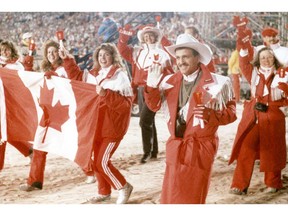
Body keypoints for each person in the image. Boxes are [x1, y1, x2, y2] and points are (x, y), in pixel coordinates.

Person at [144, 33, 237, 204]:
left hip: (200, 148)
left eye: (185, 57)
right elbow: (154, 106)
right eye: (178, 58)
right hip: (176, 145)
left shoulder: (219, 83)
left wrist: (211, 116)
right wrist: (151, 86)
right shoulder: (168, 81)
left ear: (197, 58)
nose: (180, 62)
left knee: (192, 198)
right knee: (171, 196)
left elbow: (231, 114)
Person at [59, 42, 133, 204]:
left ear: (113, 56)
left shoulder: (119, 76)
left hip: (113, 127)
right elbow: (78, 78)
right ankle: (104, 192)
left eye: (107, 55)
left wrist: (106, 94)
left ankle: (123, 186)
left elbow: (125, 106)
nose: (103, 58)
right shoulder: (95, 74)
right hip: (96, 125)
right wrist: (67, 60)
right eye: (100, 55)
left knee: (102, 162)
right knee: (95, 160)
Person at [19, 40, 95, 191]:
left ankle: (91, 171)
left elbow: (74, 80)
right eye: (49, 52)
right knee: (39, 145)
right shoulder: (46, 69)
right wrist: (28, 65)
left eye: (54, 52)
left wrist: (56, 75)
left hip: (65, 115)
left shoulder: (65, 67)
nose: (51, 54)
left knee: (70, 143)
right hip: (48, 114)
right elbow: (31, 81)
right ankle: (34, 181)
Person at [228, 24, 288, 195]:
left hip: (274, 114)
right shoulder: (252, 73)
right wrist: (242, 41)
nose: (266, 60)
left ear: (274, 60)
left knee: (273, 149)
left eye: (269, 57)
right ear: (258, 60)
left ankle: (273, 183)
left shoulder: (283, 75)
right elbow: (243, 59)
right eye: (262, 57)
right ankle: (239, 184)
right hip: (254, 114)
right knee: (246, 147)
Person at [118, 24, 173, 163]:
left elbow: (169, 73)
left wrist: (160, 87)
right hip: (140, 90)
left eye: (151, 35)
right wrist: (124, 37)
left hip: (153, 90)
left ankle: (147, 152)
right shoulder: (137, 52)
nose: (148, 37)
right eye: (145, 35)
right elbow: (122, 50)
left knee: (144, 121)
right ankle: (153, 151)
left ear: (156, 37)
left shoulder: (162, 54)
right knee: (149, 121)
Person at [0, 40, 33, 171]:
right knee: (8, 133)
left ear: (11, 50)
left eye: (6, 50)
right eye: (1, 50)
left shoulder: (16, 66)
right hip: (1, 104)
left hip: (10, 105)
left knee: (3, 134)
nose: (4, 53)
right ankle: (30, 151)